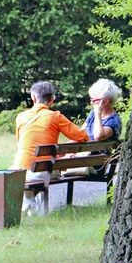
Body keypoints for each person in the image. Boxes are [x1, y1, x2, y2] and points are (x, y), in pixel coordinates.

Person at [11, 81, 89, 215]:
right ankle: (33, 209)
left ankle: (29, 206)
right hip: (44, 170)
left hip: (20, 169)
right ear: (52, 99)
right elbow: (82, 136)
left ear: (33, 98)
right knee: (43, 170)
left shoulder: (21, 117)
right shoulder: (56, 117)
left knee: (21, 173)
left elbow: (20, 143)